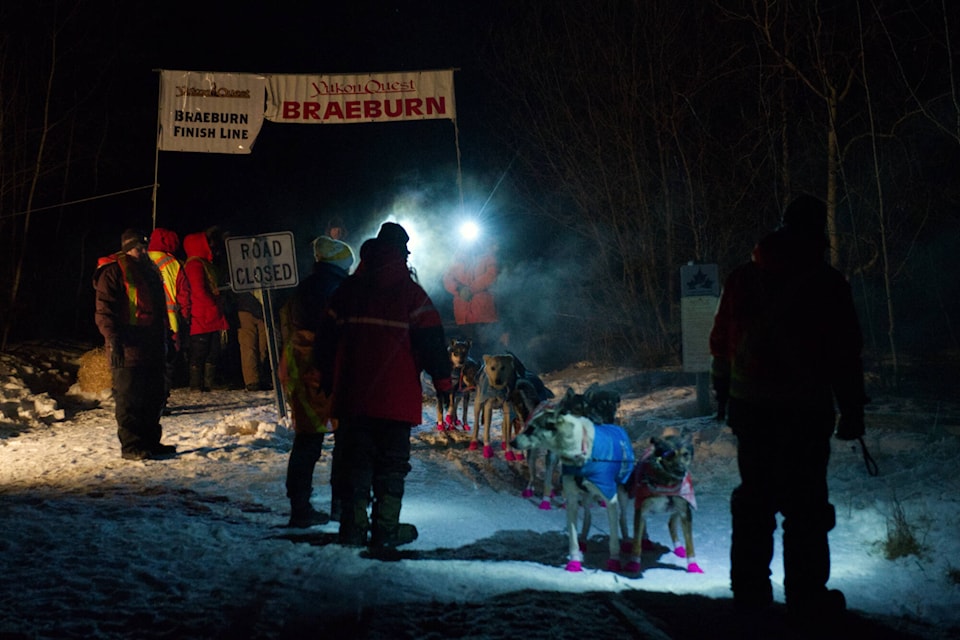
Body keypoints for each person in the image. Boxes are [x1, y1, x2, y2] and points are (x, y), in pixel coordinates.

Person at [709, 194, 868, 625]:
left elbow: (721, 342)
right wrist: (852, 409)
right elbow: (845, 354)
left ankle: (749, 592)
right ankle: (806, 596)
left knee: (755, 501)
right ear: (817, 234)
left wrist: (722, 393)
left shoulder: (743, 279)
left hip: (751, 411)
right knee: (806, 507)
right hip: (804, 414)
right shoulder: (828, 284)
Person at [317, 223, 452, 548]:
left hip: (352, 397)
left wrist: (325, 379)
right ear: (402, 254)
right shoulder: (412, 294)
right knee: (391, 465)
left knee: (355, 461)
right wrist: (444, 383)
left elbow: (324, 340)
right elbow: (433, 342)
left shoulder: (347, 291)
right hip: (396, 400)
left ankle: (352, 529)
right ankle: (385, 528)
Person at [280, 235, 356, 528]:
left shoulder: (304, 288)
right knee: (345, 438)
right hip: (329, 365)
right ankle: (341, 505)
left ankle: (299, 506)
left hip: (301, 365)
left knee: (307, 439)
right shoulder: (339, 289)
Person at [93, 228, 176, 460]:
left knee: (153, 397)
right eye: (137, 247)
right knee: (129, 399)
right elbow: (104, 310)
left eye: (143, 246)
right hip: (127, 347)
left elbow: (160, 310)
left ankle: (151, 442)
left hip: (152, 345)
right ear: (126, 248)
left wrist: (167, 338)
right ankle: (131, 446)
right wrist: (112, 338)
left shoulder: (150, 271)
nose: (142, 250)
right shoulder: (112, 273)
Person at [178, 229, 230, 392]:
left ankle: (208, 382)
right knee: (200, 351)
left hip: (209, 315)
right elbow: (199, 290)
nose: (212, 245)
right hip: (203, 315)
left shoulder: (203, 263)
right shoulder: (194, 265)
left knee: (213, 350)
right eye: (208, 243)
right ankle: (196, 384)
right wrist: (215, 302)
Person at [147, 227, 187, 413]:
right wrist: (186, 317)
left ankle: (147, 403)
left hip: (143, 322)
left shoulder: (138, 259)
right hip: (170, 323)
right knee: (166, 364)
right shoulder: (173, 263)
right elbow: (184, 295)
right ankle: (160, 403)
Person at [442, 241, 504, 357]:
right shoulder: (456, 261)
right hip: (464, 316)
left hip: (485, 315)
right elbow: (447, 279)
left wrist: (471, 289)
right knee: (471, 351)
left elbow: (492, 275)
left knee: (488, 349)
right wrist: (459, 289)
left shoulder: (488, 257)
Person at [236, 290, 269, 391]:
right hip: (257, 306)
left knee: (252, 346)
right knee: (255, 346)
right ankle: (256, 379)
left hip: (246, 304)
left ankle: (254, 380)